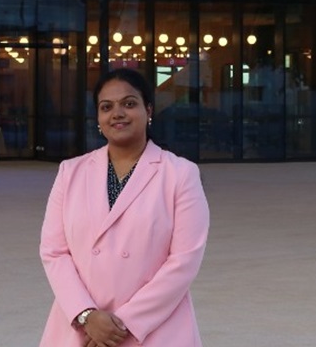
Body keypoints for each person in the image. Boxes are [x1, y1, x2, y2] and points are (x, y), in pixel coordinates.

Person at [39, 68, 210, 347]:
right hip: (81, 329)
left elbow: (184, 261)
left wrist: (124, 323)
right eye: (107, 107)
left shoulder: (180, 174)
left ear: (149, 110)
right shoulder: (70, 172)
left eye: (129, 104)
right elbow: (54, 252)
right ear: (98, 118)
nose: (117, 113)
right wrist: (87, 316)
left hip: (154, 329)